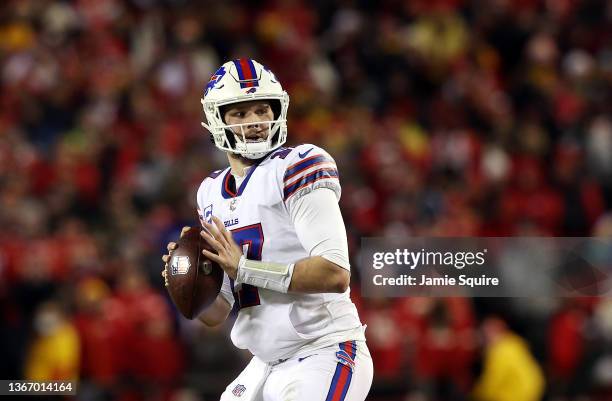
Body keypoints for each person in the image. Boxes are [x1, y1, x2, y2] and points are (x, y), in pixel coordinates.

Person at [161, 58, 373, 401]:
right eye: (241, 113)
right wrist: (186, 285)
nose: (256, 122)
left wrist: (244, 268)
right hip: (264, 364)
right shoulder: (210, 192)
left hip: (322, 352)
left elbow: (335, 272)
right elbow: (218, 311)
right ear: (218, 119)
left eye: (262, 110)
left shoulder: (298, 166)